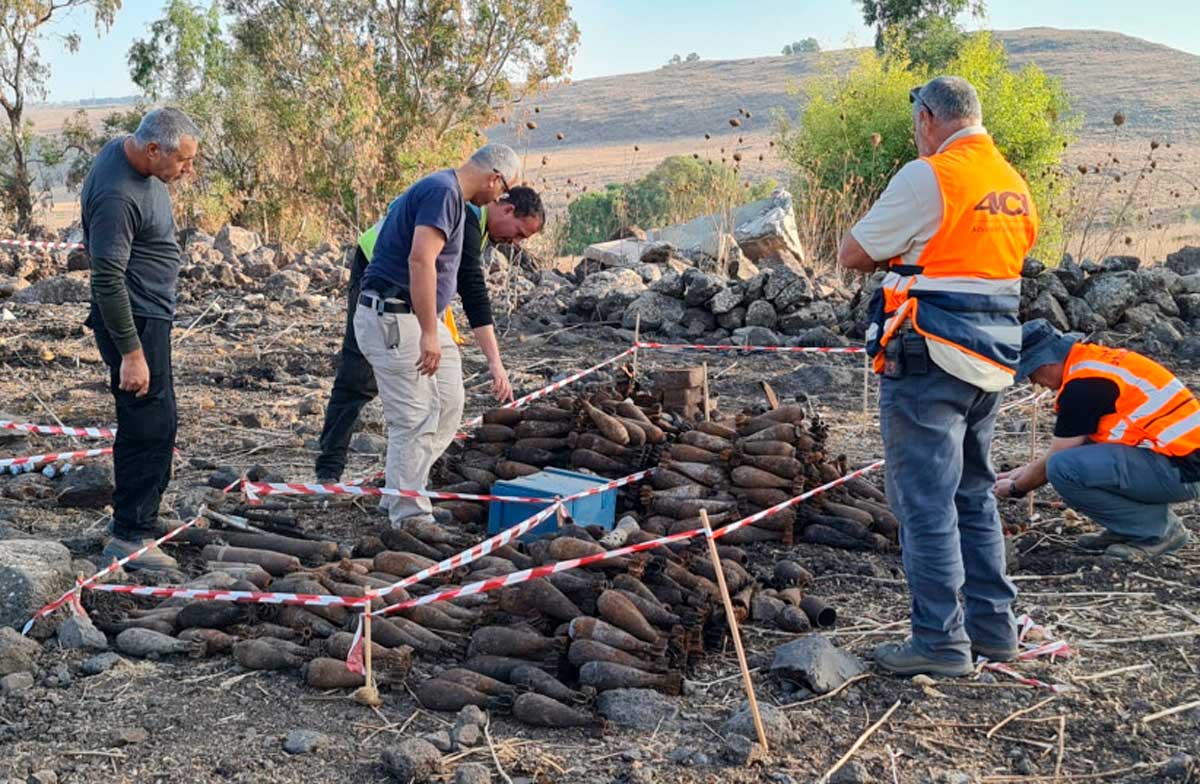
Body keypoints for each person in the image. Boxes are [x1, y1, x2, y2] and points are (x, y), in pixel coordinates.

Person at [838, 76, 1039, 676]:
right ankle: (995, 631)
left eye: (915, 124)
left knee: (925, 503)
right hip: (990, 359)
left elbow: (853, 253)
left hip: (928, 358)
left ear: (928, 118)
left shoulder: (930, 176)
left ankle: (939, 641)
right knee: (972, 493)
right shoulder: (1012, 182)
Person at [315, 186, 545, 484]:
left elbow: (449, 277)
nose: (514, 243)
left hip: (413, 291)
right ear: (507, 208)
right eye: (518, 234)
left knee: (439, 389)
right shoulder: (468, 216)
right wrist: (494, 362)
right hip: (378, 272)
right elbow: (472, 288)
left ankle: (408, 477)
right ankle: (329, 470)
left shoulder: (482, 223)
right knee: (359, 374)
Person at [354, 144, 521, 529]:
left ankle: (404, 491)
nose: (499, 198)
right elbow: (420, 259)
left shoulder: (458, 204)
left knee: (447, 403)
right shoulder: (443, 192)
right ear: (495, 178)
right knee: (414, 418)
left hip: (420, 317)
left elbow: (466, 281)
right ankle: (409, 514)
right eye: (503, 189)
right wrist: (430, 333)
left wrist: (487, 357)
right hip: (395, 317)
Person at [82, 107, 200, 572]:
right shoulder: (116, 194)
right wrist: (131, 352)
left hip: (150, 314)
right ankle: (130, 535)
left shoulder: (131, 154)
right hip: (134, 318)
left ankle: (142, 514)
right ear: (153, 150)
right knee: (148, 423)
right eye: (183, 161)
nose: (188, 170)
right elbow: (106, 279)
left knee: (160, 418)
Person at [996, 320, 1198, 560]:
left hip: (1183, 472)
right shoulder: (1092, 364)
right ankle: (1129, 528)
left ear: (1048, 362)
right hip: (1180, 460)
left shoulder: (1081, 388)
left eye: (1032, 372)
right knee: (1079, 456)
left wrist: (1016, 488)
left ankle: (1156, 532)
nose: (1034, 382)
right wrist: (1019, 472)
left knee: (1063, 469)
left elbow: (1057, 458)